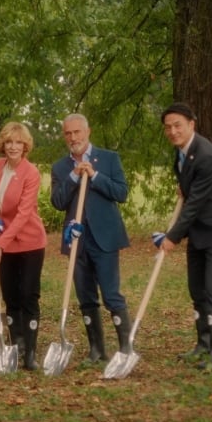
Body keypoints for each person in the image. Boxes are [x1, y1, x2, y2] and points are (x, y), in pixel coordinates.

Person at [159, 102, 212, 370]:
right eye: (168, 127)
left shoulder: (206, 155)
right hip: (198, 232)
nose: (172, 131)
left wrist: (172, 237)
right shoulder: (182, 153)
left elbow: (194, 205)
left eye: (178, 125)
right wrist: (185, 188)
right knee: (197, 290)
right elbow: (190, 194)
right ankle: (203, 344)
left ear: (192, 124)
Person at [51, 114, 132, 364]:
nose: (73, 137)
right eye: (68, 133)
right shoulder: (60, 167)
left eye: (77, 132)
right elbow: (57, 201)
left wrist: (94, 176)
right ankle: (97, 349)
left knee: (111, 294)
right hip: (76, 240)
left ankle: (126, 348)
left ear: (88, 131)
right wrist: (74, 177)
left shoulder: (109, 159)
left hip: (104, 237)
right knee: (85, 296)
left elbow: (121, 193)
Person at [0, 121, 47, 370]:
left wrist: (1, 243)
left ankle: (30, 353)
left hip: (29, 242)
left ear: (25, 146)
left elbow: (23, 213)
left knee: (28, 296)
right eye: (8, 142)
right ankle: (16, 347)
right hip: (4, 243)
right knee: (10, 297)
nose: (13, 147)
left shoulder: (31, 172)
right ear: (3, 145)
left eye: (18, 142)